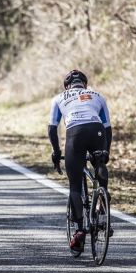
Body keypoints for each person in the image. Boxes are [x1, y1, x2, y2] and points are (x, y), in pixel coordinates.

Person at [48, 69, 112, 253]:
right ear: (84, 84)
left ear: (67, 86)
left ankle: (79, 231)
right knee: (99, 163)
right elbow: (108, 128)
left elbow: (52, 129)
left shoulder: (60, 98)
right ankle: (103, 195)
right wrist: (105, 152)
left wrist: (56, 152)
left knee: (75, 186)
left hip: (75, 134)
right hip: (97, 130)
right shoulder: (98, 95)